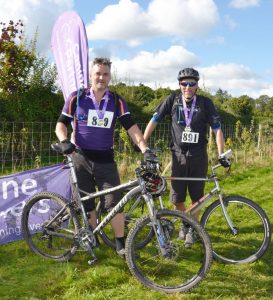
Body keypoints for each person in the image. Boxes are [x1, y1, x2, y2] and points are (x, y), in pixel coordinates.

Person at [55, 57, 154, 257]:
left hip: (106, 160)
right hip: (80, 158)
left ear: (110, 77)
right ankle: (93, 238)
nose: (101, 77)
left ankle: (120, 243)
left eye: (105, 74)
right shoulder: (77, 97)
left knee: (114, 202)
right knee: (88, 203)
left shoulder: (116, 101)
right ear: (91, 76)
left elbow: (132, 128)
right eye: (97, 73)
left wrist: (144, 148)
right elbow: (60, 124)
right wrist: (64, 140)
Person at [144, 67, 230, 247]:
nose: (188, 87)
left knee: (197, 196)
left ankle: (192, 229)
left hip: (199, 155)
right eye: (184, 83)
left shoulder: (206, 103)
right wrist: (143, 144)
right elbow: (154, 120)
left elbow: (217, 129)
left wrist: (222, 153)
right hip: (178, 156)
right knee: (177, 198)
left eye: (192, 83)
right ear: (179, 85)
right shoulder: (172, 100)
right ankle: (185, 223)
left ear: (197, 85)